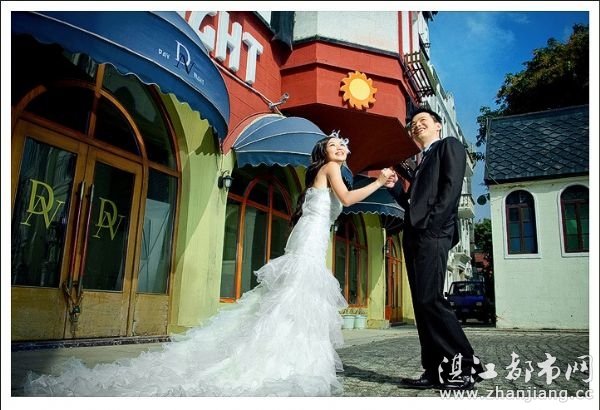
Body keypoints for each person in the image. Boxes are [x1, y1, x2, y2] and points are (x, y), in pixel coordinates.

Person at [23, 133, 394, 397]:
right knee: (296, 296)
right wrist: (378, 181)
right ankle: (283, 356)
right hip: (310, 239)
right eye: (333, 144)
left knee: (293, 298)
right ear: (323, 153)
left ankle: (291, 354)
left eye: (342, 145)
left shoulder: (325, 173)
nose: (339, 148)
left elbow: (337, 204)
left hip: (311, 236)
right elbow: (347, 199)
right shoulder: (329, 169)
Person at [385, 107, 484, 391]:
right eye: (413, 124)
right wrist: (395, 188)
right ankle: (435, 370)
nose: (416, 126)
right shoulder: (421, 162)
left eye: (422, 121)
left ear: (438, 125)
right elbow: (412, 205)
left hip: (434, 234)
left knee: (431, 300)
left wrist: (434, 227)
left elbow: (451, 190)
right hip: (414, 236)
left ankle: (466, 368)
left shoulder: (448, 146)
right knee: (421, 306)